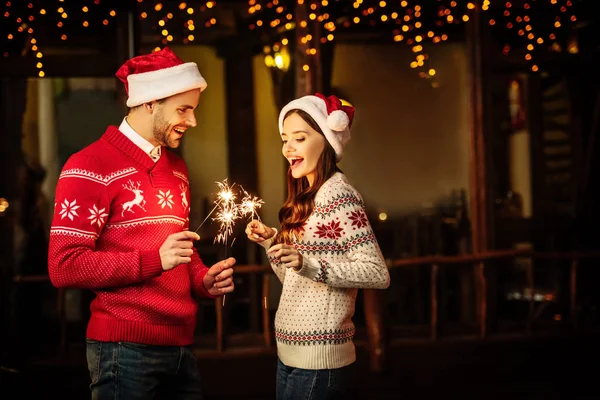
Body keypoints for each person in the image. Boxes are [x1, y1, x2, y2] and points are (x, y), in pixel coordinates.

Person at [48, 47, 235, 399]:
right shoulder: (88, 166)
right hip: (123, 351)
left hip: (182, 346)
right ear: (149, 102)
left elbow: (178, 250)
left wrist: (202, 278)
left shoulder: (176, 168)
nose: (192, 121)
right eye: (184, 109)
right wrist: (152, 260)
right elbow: (64, 266)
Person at [245, 93, 390, 399]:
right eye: (285, 138)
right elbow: (295, 280)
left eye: (299, 138)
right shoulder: (307, 198)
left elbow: (377, 273)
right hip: (291, 354)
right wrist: (273, 243)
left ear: (325, 141)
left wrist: (306, 263)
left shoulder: (338, 195)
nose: (288, 148)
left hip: (321, 361)